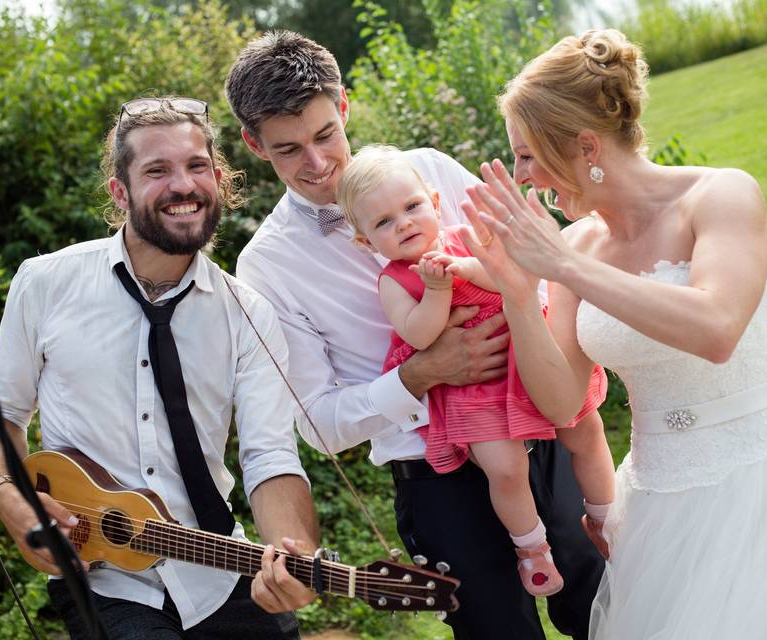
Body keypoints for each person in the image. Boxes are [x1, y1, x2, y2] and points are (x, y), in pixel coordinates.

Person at [462, 28, 767, 639]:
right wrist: (518, 293)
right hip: (657, 504)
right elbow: (564, 402)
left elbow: (716, 328)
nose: (523, 178)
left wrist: (565, 267)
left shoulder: (721, 195)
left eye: (527, 154)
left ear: (586, 146)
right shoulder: (575, 246)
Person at [227, 31, 606, 639]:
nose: (318, 164)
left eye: (326, 135)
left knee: (602, 608)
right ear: (253, 144)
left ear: (344, 106)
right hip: (436, 479)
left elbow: (530, 270)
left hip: (534, 426)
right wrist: (422, 373)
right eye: (289, 150)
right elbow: (321, 427)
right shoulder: (267, 267)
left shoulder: (428, 169)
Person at [0, 96, 320, 639]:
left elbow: (269, 455)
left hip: (221, 570)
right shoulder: (45, 283)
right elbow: (2, 414)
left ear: (219, 179)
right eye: (157, 170)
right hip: (103, 580)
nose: (183, 185)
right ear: (120, 190)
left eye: (196, 166)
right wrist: (9, 499)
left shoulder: (249, 314)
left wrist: (294, 556)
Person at [336, 144, 614, 597]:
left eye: (411, 207)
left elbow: (513, 280)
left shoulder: (466, 238)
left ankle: (606, 516)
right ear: (367, 241)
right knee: (504, 469)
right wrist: (436, 290)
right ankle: (532, 548)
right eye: (384, 222)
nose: (403, 223)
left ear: (435, 203)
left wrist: (465, 265)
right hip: (475, 387)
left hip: (528, 354)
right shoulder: (395, 280)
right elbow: (420, 334)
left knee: (584, 428)